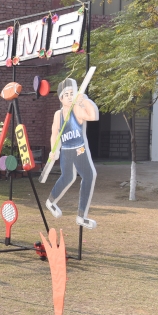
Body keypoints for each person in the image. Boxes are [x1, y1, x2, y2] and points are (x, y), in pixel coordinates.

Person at [46, 78, 99, 229]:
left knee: (89, 176)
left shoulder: (77, 110)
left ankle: (81, 216)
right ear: (61, 98)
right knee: (67, 177)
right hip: (66, 151)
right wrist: (53, 150)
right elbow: (54, 133)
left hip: (80, 149)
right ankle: (50, 201)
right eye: (66, 94)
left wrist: (85, 100)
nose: (69, 97)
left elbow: (93, 116)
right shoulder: (58, 114)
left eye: (72, 93)